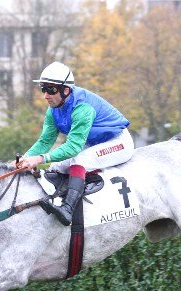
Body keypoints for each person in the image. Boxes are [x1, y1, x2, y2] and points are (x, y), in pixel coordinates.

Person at [16, 61, 134, 226]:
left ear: (66, 90)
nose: (46, 95)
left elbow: (73, 148)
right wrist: (25, 158)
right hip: (93, 143)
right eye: (43, 89)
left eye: (51, 89)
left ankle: (68, 209)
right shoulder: (53, 109)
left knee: (80, 161)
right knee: (56, 166)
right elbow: (45, 141)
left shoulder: (82, 108)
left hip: (117, 142)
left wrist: (40, 159)